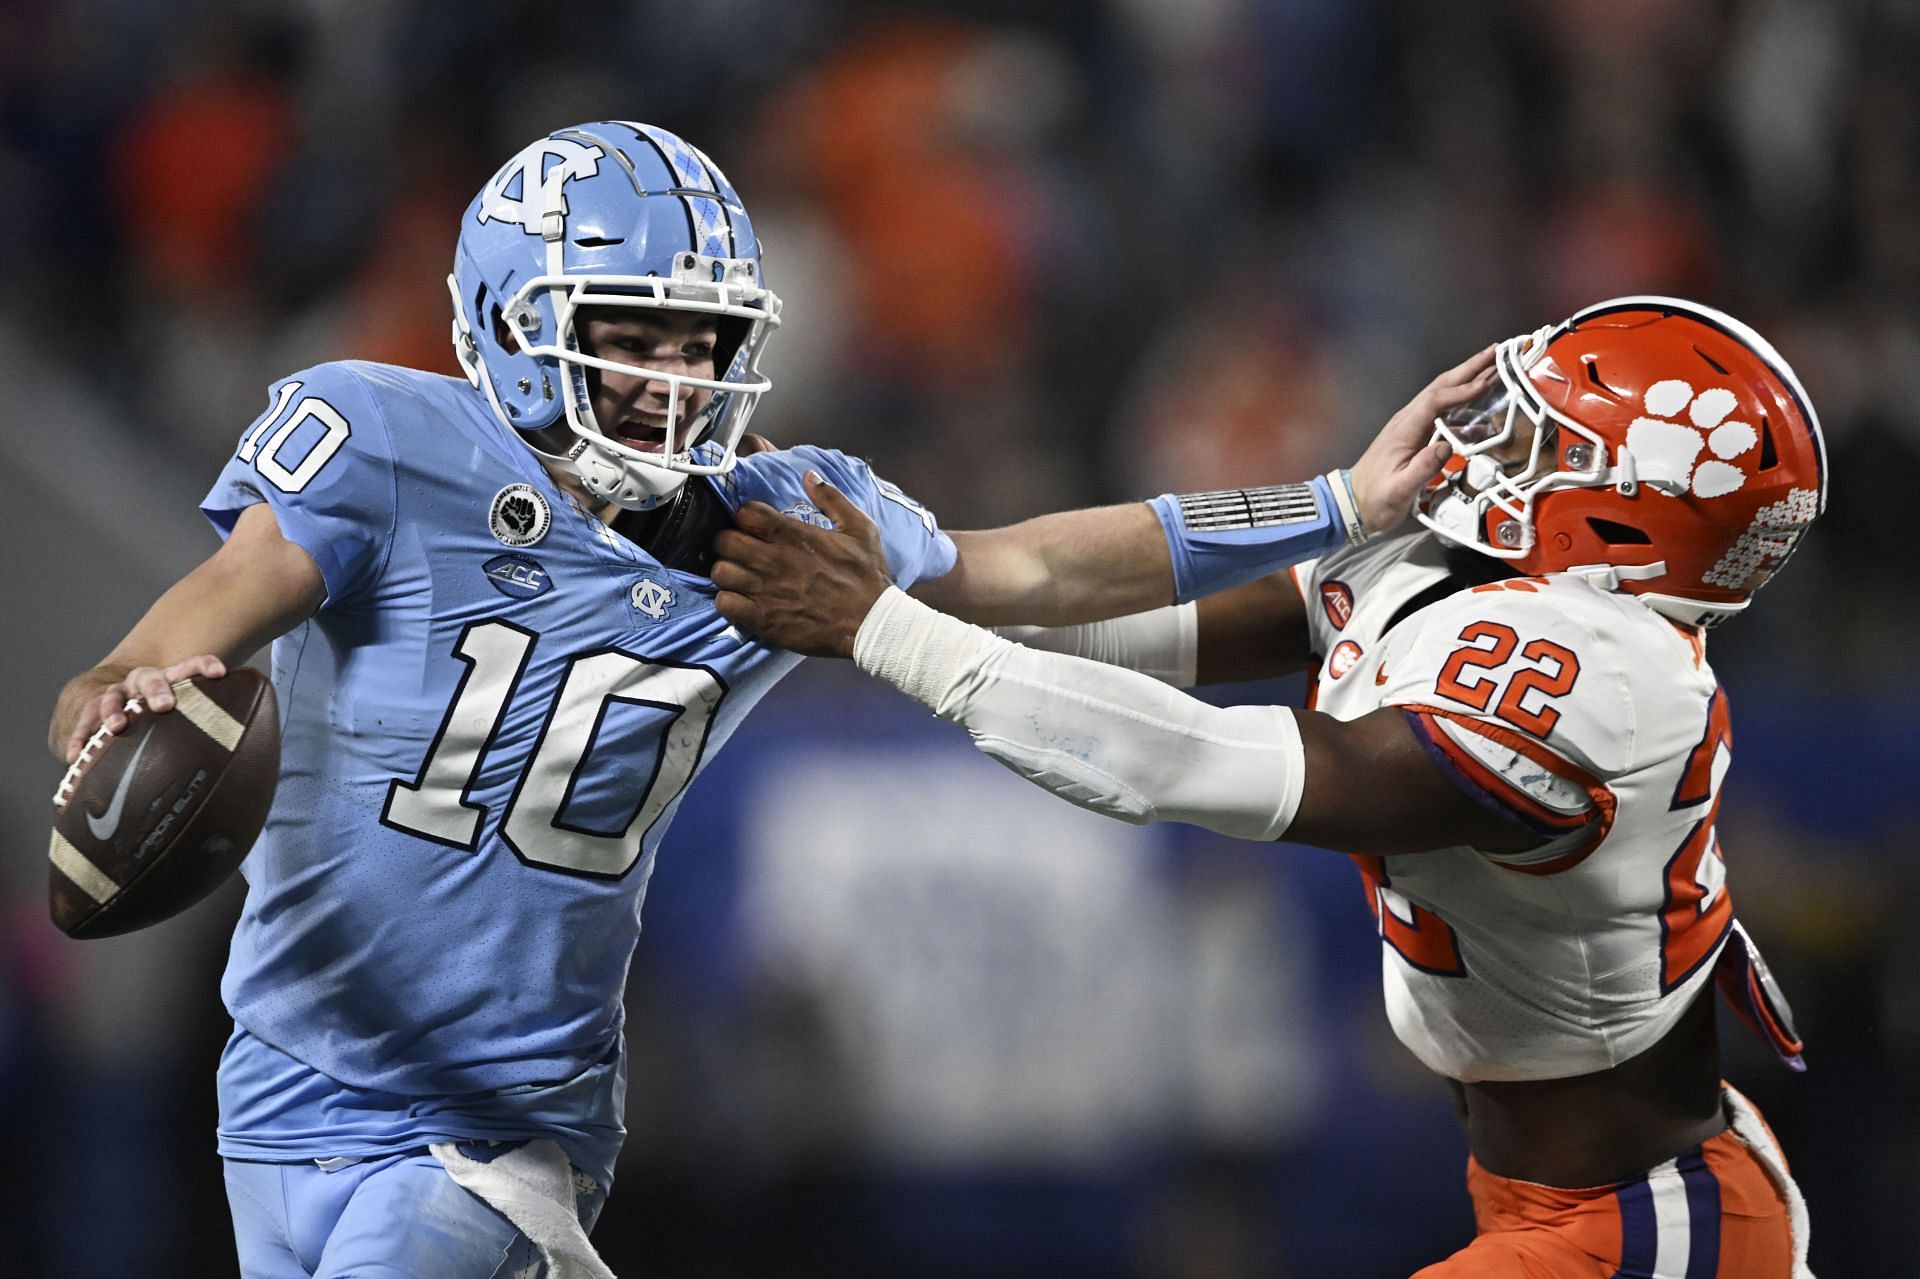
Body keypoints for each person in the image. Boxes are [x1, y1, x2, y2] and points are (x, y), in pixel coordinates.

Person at [46, 119, 1468, 1277]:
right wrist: (119, 684)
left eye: (701, 342)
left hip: (491, 1127)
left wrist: (1337, 500)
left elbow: (1026, 565)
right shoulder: (381, 441)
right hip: (282, 1085)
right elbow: (204, 612)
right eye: (635, 335)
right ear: (509, 319)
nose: (673, 380)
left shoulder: (780, 522)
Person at [709, 296, 1824, 1276]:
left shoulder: (1607, 682)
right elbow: (1122, 623)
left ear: (1628, 505)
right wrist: (892, 571)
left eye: (1550, 435)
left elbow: (1197, 761)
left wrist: (881, 626)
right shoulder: (1457, 565)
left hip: (1645, 1223)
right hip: (1570, 1197)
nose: (1496, 437)